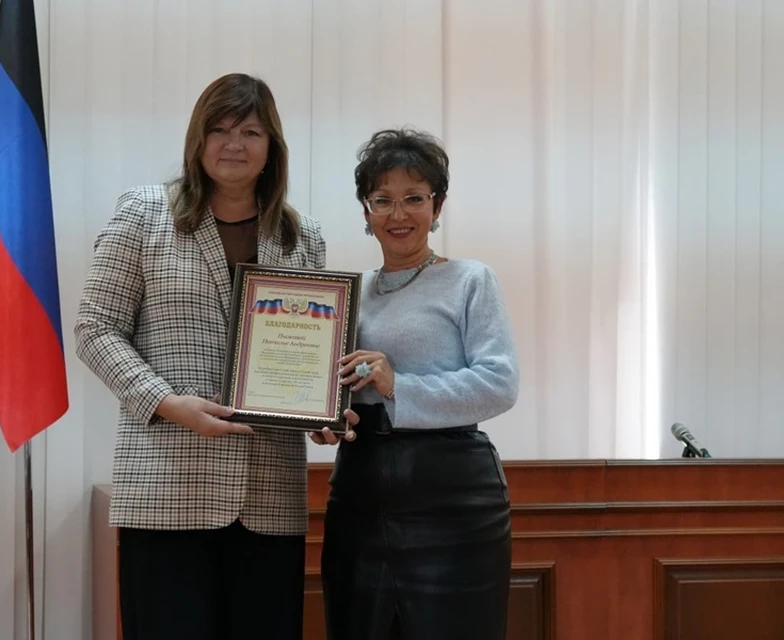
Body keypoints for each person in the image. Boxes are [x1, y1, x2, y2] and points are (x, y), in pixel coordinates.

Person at [74, 73, 353, 639]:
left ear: (271, 146)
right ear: (197, 139)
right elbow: (94, 329)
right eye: (219, 129)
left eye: (250, 131)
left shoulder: (303, 237)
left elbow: (311, 356)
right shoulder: (144, 213)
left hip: (269, 496)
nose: (234, 144)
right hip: (167, 488)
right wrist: (168, 403)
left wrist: (325, 413)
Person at [312, 128, 520, 639]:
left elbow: (499, 383)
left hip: (452, 497)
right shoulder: (344, 294)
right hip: (359, 496)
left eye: (414, 198)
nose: (398, 214)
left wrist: (398, 384)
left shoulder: (472, 279)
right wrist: (323, 419)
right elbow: (340, 390)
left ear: (438, 203)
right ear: (365, 211)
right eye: (382, 200)